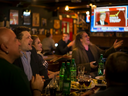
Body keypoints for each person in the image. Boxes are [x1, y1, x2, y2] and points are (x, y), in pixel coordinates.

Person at [0, 27, 44, 96]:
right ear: (5, 47)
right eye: (15, 40)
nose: (19, 43)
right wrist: (37, 90)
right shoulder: (14, 72)